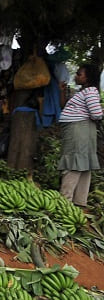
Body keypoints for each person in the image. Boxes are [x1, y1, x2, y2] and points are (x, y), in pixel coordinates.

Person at [58, 63, 102, 210]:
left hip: (79, 129)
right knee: (83, 162)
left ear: (88, 77)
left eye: (79, 74)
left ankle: (65, 200)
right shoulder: (82, 91)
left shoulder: (90, 91)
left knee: (74, 162)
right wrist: (62, 91)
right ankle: (79, 201)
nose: (76, 76)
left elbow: (96, 114)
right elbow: (63, 106)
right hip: (79, 128)